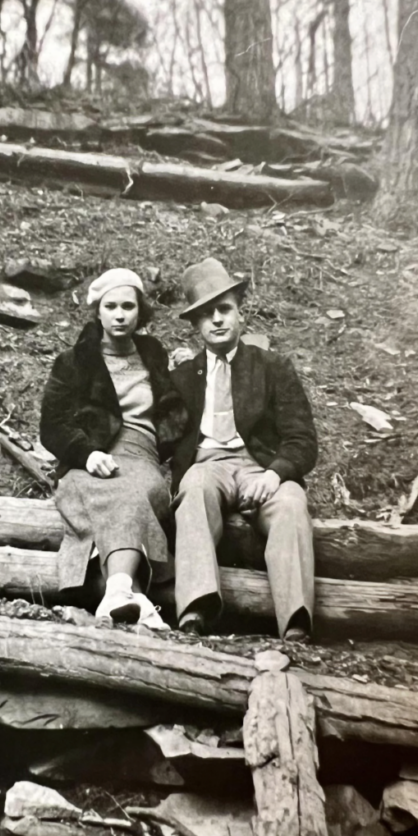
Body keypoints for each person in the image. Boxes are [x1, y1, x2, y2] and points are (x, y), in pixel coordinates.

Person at [170, 257, 317, 642]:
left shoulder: (272, 367)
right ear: (195, 326)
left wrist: (274, 474)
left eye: (224, 309)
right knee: (195, 488)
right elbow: (157, 432)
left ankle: (295, 621)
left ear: (240, 315)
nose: (217, 319)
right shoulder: (182, 377)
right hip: (208, 465)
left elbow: (302, 440)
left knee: (290, 503)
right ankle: (197, 609)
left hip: (260, 467)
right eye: (206, 314)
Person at [40, 267, 185, 629]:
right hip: (89, 459)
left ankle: (118, 594)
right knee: (120, 493)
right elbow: (52, 426)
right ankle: (127, 593)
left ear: (140, 312)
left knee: (141, 489)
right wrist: (86, 453)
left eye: (128, 306)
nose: (120, 314)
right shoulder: (74, 362)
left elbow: (172, 410)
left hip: (142, 455)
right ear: (98, 311)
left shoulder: (153, 354)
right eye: (111, 306)